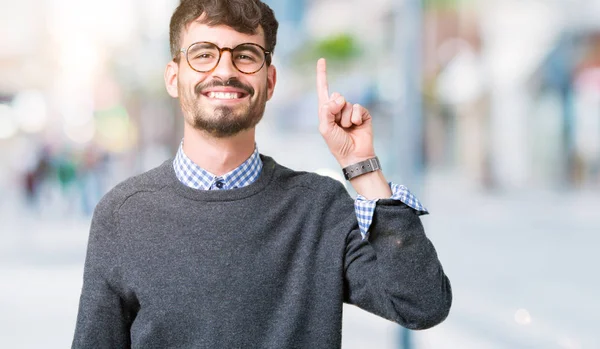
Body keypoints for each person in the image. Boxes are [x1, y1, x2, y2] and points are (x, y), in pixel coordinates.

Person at [71, 0, 452, 348]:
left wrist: (362, 166)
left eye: (245, 55)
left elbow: (421, 304)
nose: (224, 70)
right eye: (203, 54)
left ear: (269, 82)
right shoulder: (122, 215)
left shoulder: (319, 206)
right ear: (173, 77)